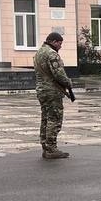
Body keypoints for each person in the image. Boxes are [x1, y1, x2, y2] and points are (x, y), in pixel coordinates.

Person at [33, 31, 74, 159]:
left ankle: (45, 146)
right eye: (59, 43)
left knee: (45, 118)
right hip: (52, 91)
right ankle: (51, 148)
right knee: (54, 119)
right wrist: (69, 83)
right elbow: (59, 74)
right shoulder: (52, 54)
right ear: (53, 42)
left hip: (42, 90)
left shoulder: (39, 52)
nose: (60, 46)